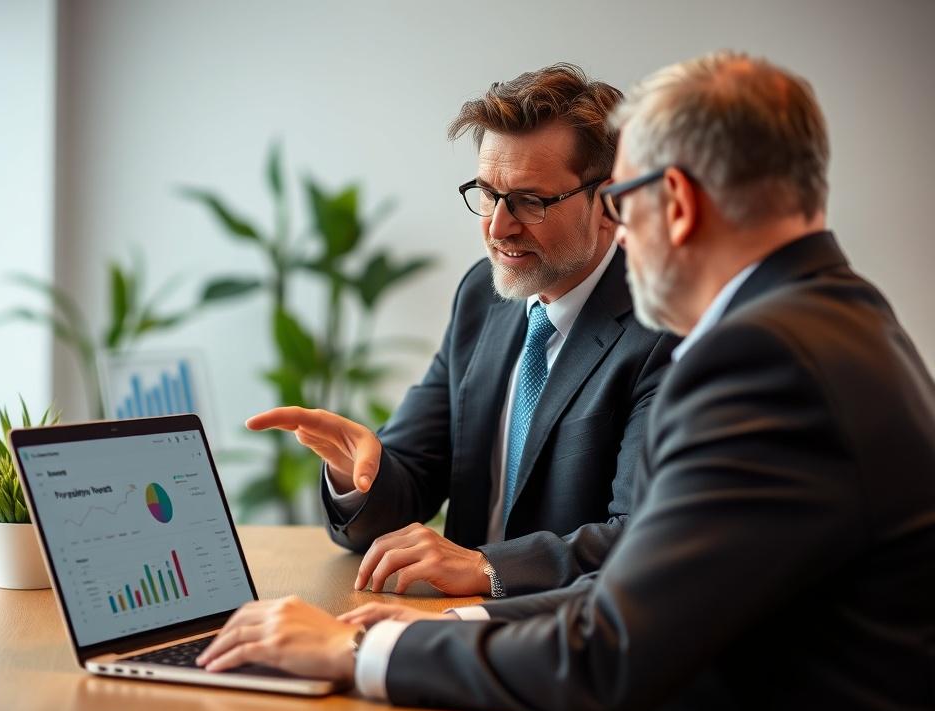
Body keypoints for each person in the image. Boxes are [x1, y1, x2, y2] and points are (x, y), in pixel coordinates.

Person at [199, 51, 935, 711]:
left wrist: (357, 648)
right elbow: (636, 603)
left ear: (671, 203)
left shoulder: (762, 362)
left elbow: (613, 647)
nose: (622, 227)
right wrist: (450, 622)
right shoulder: (837, 320)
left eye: (625, 199)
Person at [249, 63, 676, 598]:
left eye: (530, 201)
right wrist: (355, 476)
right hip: (449, 629)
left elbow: (640, 537)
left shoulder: (662, 326)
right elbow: (412, 477)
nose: (498, 227)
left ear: (610, 201)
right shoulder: (483, 296)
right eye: (488, 193)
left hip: (564, 642)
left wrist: (488, 567)